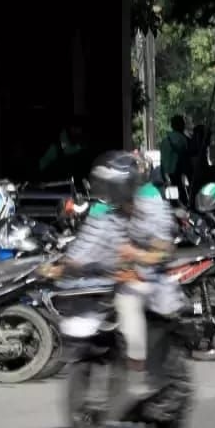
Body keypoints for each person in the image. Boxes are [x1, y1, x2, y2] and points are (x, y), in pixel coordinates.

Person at [42, 151, 183, 396]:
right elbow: (83, 248)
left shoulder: (152, 209)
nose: (109, 191)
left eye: (113, 186)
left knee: (129, 304)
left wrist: (136, 257)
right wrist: (58, 267)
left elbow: (164, 250)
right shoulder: (105, 214)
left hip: (151, 282)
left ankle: (138, 377)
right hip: (109, 282)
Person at [38, 118, 87, 184]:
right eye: (75, 129)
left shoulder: (81, 143)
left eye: (79, 130)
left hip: (71, 179)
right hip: (49, 174)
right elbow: (44, 164)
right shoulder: (58, 144)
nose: (77, 131)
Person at [160, 115, 191, 204]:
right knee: (182, 200)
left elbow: (162, 161)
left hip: (167, 176)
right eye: (183, 124)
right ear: (181, 125)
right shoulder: (183, 139)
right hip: (178, 175)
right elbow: (186, 158)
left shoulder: (165, 141)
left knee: (172, 200)